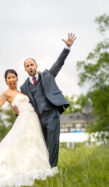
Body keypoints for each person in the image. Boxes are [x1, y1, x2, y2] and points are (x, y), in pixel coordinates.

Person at [15, 33, 76, 169]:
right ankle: (42, 168)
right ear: (25, 69)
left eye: (32, 64)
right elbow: (25, 105)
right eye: (27, 66)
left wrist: (67, 47)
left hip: (52, 114)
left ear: (36, 65)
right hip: (38, 118)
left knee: (53, 143)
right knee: (41, 145)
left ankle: (52, 169)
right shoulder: (24, 87)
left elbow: (58, 63)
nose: (30, 67)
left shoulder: (47, 75)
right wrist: (17, 112)